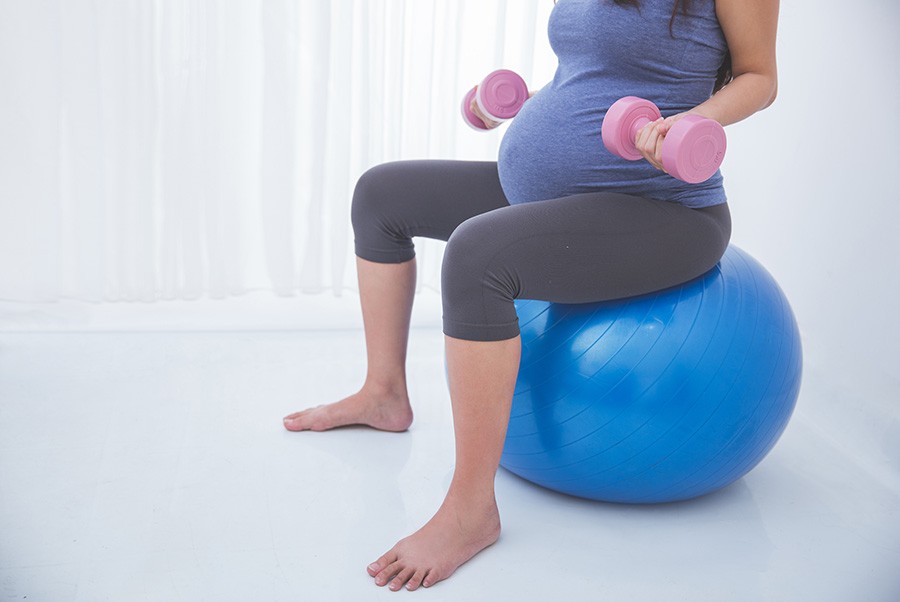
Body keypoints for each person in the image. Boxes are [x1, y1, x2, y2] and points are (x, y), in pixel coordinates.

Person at [283, 0, 779, 592]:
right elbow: (595, 72)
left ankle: (470, 512)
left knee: (477, 258)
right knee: (381, 195)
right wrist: (521, 107)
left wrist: (690, 122)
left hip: (664, 211)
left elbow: (760, 76)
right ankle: (383, 395)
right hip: (554, 197)